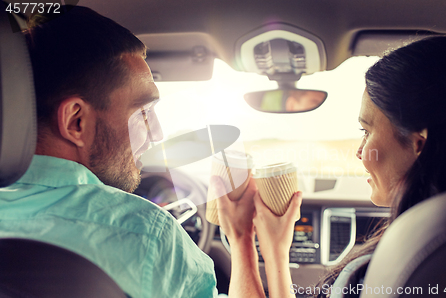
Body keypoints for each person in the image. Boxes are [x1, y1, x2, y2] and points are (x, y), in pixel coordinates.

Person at [0, 6, 264, 298]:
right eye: (143, 112)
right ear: (76, 121)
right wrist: (241, 238)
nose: (158, 133)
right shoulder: (149, 235)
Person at [223, 36, 446, 298]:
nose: (359, 151)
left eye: (366, 131)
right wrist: (275, 250)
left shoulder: (386, 267)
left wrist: (241, 238)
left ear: (419, 143)